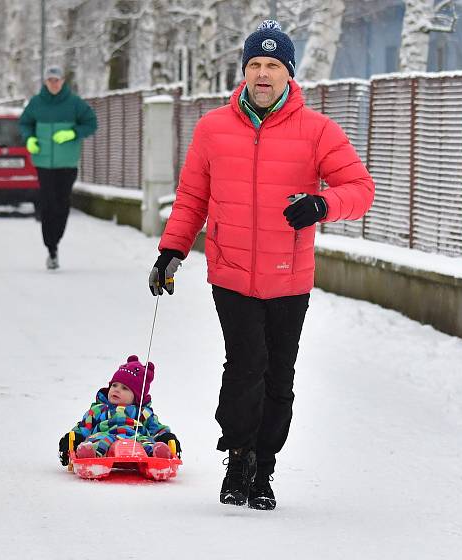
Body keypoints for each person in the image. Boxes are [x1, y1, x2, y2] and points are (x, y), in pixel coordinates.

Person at [148, 20, 374, 510]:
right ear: (244, 71)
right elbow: (192, 197)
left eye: (273, 65)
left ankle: (264, 469)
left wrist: (322, 205)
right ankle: (239, 458)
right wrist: (172, 251)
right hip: (230, 272)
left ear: (288, 73)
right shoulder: (212, 129)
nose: (263, 74)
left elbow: (360, 189)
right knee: (246, 365)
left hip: (289, 278)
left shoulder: (318, 132)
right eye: (255, 64)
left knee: (279, 376)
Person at [19, 65, 97, 270]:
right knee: (47, 202)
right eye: (50, 80)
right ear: (45, 82)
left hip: (67, 162)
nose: (54, 84)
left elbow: (91, 123)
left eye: (57, 80)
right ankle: (50, 246)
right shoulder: (36, 103)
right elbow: (25, 123)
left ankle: (56, 240)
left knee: (62, 203)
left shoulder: (74, 104)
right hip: (44, 162)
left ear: (63, 82)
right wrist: (30, 139)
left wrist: (72, 133)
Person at [58, 355, 181, 465]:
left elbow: (157, 428)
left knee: (147, 444)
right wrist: (74, 438)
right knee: (98, 442)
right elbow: (85, 427)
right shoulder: (98, 410)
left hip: (136, 437)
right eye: (114, 385)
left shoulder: (142, 413)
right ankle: (89, 456)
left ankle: (158, 457)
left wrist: (166, 437)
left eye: (124, 388)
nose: (116, 390)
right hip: (106, 434)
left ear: (136, 396)